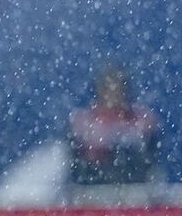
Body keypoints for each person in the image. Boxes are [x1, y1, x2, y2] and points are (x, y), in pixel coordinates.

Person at [67, 64, 161, 205]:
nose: (114, 94)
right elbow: (77, 170)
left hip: (134, 197)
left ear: (127, 91)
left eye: (119, 89)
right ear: (99, 91)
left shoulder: (143, 122)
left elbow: (150, 166)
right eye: (109, 89)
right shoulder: (84, 124)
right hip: (92, 197)